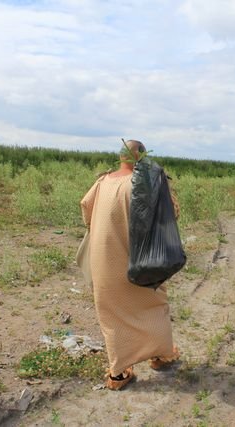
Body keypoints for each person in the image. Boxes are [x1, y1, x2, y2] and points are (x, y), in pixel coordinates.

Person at [80, 140, 179, 390]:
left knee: (112, 314)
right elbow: (172, 213)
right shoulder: (149, 182)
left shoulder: (102, 182)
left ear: (120, 157)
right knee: (153, 304)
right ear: (142, 157)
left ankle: (119, 373)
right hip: (143, 259)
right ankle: (160, 356)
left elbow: (86, 209)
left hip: (105, 259)